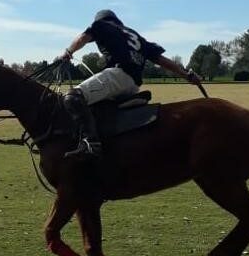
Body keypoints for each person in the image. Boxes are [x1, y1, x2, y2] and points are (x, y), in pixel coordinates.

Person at [60, 9, 203, 158]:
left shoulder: (101, 25)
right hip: (133, 85)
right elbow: (161, 60)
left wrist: (68, 52)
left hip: (117, 75)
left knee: (73, 97)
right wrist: (187, 75)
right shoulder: (136, 36)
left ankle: (90, 145)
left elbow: (83, 37)